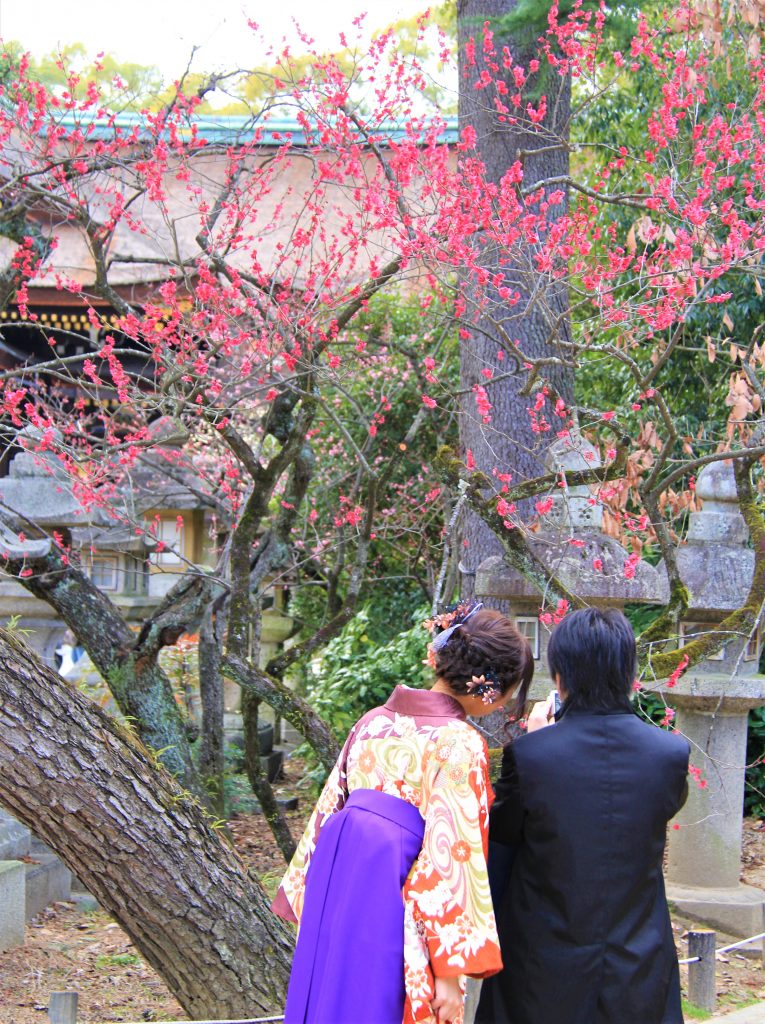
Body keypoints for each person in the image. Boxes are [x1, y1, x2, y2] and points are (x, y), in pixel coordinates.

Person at [272, 603, 534, 1024]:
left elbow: (328, 813)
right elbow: (452, 855)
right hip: (395, 906)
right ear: (491, 688)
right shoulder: (458, 743)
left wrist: (314, 899)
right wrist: (448, 971)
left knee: (334, 1003)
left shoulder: (373, 722)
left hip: (339, 891)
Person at [476, 607, 690, 1024]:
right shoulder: (669, 755)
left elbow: (504, 831)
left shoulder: (533, 756)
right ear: (628, 673)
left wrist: (537, 742)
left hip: (542, 961)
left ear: (561, 676)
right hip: (638, 955)